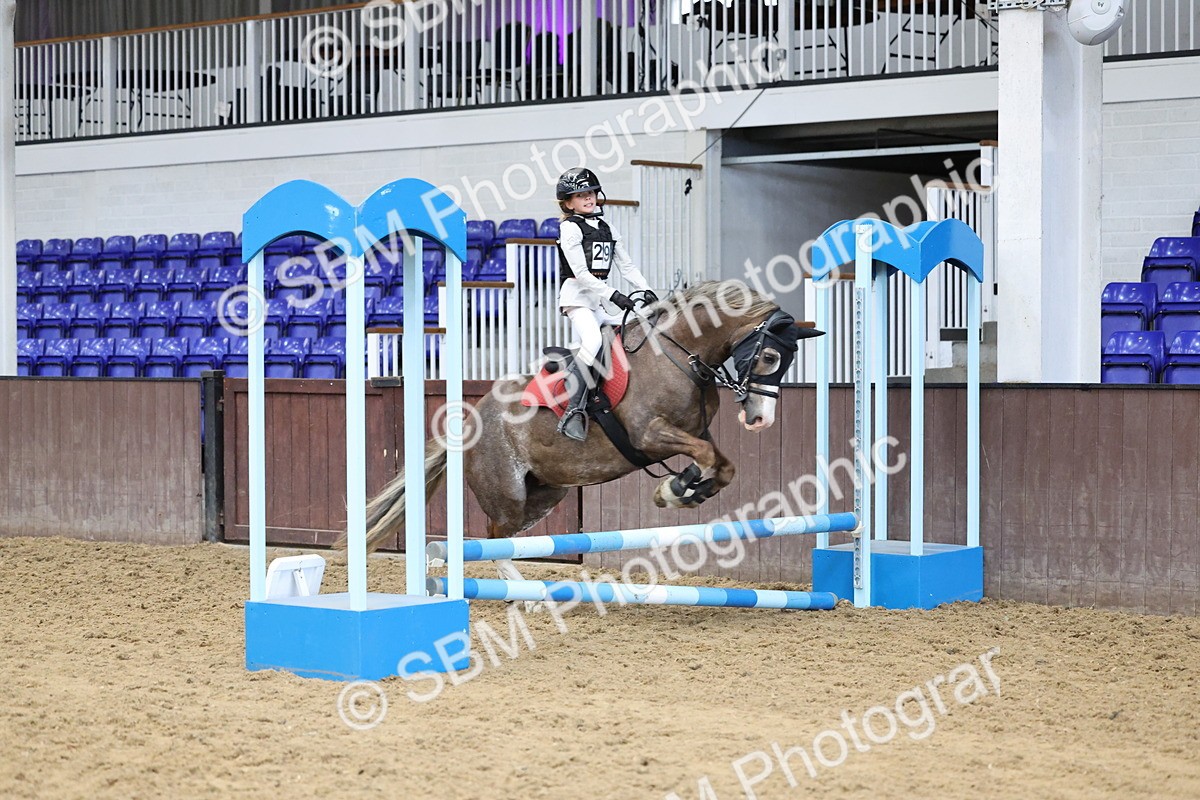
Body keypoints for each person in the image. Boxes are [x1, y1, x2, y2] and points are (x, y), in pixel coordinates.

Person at [554, 166, 658, 441]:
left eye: (591, 193)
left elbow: (626, 265)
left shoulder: (606, 227)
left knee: (637, 329)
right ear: (568, 202)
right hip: (577, 298)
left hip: (599, 301)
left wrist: (646, 289)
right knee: (592, 342)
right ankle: (573, 411)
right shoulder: (569, 228)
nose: (589, 198)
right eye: (581, 195)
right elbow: (582, 275)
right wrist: (614, 295)